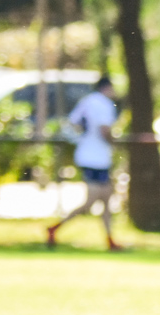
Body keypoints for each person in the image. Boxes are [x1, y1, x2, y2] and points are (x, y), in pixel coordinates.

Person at [47, 77, 122, 251]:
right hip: (97, 158)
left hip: (88, 155)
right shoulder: (104, 104)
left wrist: (81, 139)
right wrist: (115, 143)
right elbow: (105, 130)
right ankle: (55, 227)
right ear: (107, 88)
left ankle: (110, 240)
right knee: (92, 201)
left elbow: (72, 123)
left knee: (106, 199)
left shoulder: (87, 101)